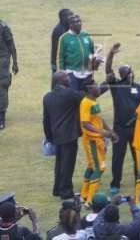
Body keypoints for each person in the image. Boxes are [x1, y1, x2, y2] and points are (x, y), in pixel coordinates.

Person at [104, 43, 140, 194]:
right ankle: (115, 183)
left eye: (130, 71)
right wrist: (111, 55)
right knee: (117, 158)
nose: (130, 74)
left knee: (137, 156)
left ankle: (139, 181)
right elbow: (108, 70)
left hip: (136, 128)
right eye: (127, 72)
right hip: (120, 128)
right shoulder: (116, 87)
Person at [43, 71, 84, 199]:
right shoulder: (69, 94)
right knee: (67, 164)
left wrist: (49, 137)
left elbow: (46, 120)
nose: (69, 78)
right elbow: (85, 96)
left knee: (60, 163)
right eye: (66, 77)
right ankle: (66, 191)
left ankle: (57, 188)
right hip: (69, 135)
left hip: (56, 136)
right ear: (61, 80)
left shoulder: (47, 97)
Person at [80, 80, 118, 203]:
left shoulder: (93, 101)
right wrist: (102, 132)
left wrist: (110, 131)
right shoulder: (86, 103)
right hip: (92, 140)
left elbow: (99, 119)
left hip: (98, 140)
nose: (99, 87)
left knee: (92, 167)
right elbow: (85, 123)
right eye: (96, 86)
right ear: (90, 89)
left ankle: (84, 195)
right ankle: (90, 201)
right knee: (99, 168)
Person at [57, 15, 94, 91]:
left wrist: (95, 59)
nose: (79, 23)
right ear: (71, 25)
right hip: (72, 72)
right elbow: (60, 56)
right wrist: (62, 72)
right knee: (73, 95)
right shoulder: (64, 38)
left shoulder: (87, 36)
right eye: (76, 22)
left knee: (85, 96)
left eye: (80, 21)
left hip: (87, 72)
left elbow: (92, 52)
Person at [0, 19, 18, 130]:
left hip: (2, 60)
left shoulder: (3, 27)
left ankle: (1, 118)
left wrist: (15, 63)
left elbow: (11, 45)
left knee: (2, 87)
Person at [51, 9, 73, 77]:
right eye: (70, 15)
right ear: (63, 17)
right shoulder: (59, 30)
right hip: (59, 64)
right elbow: (57, 49)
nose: (72, 17)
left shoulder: (69, 29)